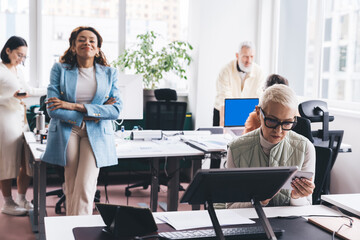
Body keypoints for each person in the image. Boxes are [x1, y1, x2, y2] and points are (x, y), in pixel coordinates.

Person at [41, 26, 122, 215]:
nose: (87, 43)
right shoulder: (60, 69)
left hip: (97, 132)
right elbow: (53, 109)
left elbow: (116, 110)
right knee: (71, 183)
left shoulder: (109, 73)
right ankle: (74, 229)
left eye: (92, 40)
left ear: (98, 47)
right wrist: (97, 110)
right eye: (82, 39)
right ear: (73, 46)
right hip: (69, 129)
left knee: (86, 185)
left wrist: (73, 106)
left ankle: (78, 229)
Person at [226, 84, 315, 208]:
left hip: (289, 223)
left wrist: (297, 197)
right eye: (272, 121)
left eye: (287, 123)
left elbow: (307, 206)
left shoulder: (306, 148)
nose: (278, 131)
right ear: (258, 113)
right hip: (250, 222)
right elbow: (230, 206)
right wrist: (261, 200)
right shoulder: (236, 149)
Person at [0, 36, 46, 215]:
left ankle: (21, 198)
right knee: (7, 162)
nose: (21, 59)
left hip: (21, 120)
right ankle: (7, 203)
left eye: (24, 57)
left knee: (27, 161)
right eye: (19, 55)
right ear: (8, 50)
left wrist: (52, 89)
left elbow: (29, 90)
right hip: (5, 121)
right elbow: (13, 95)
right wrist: (12, 97)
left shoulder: (18, 71)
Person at [213, 41, 264, 126]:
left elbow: (259, 97)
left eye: (251, 57)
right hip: (223, 111)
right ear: (237, 56)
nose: (249, 60)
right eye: (245, 57)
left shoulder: (259, 72)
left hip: (248, 112)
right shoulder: (225, 71)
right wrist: (223, 127)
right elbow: (224, 98)